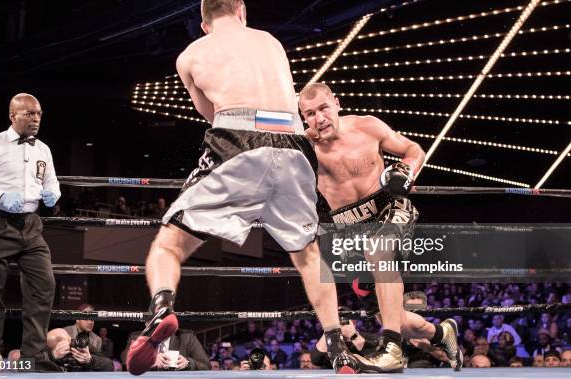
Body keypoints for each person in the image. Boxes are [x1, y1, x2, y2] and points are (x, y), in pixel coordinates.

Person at [126, 1, 357, 374]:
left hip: (238, 138)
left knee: (168, 244)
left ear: (203, 24)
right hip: (294, 144)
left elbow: (212, 115)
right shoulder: (270, 41)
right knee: (309, 256)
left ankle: (161, 313)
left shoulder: (191, 55)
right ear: (241, 10)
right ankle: (338, 347)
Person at [298, 83, 462, 373]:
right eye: (309, 113)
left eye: (323, 108)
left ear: (337, 103)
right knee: (391, 314)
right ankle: (442, 334)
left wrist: (408, 169)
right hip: (350, 230)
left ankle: (392, 351)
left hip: (390, 207)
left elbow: (414, 149)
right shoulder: (303, 147)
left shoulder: (368, 127)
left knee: (379, 248)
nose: (319, 118)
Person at [0, 93, 60, 370]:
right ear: (12, 116)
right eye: (29, 113)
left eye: (39, 113)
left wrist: (54, 192)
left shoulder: (43, 149)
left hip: (30, 225)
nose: (36, 118)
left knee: (44, 286)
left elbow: (50, 181)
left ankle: (34, 356)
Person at [122, 328, 210, 371]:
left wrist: (188, 363)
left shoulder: (187, 337)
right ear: (148, 324)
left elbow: (206, 365)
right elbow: (125, 359)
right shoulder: (138, 337)